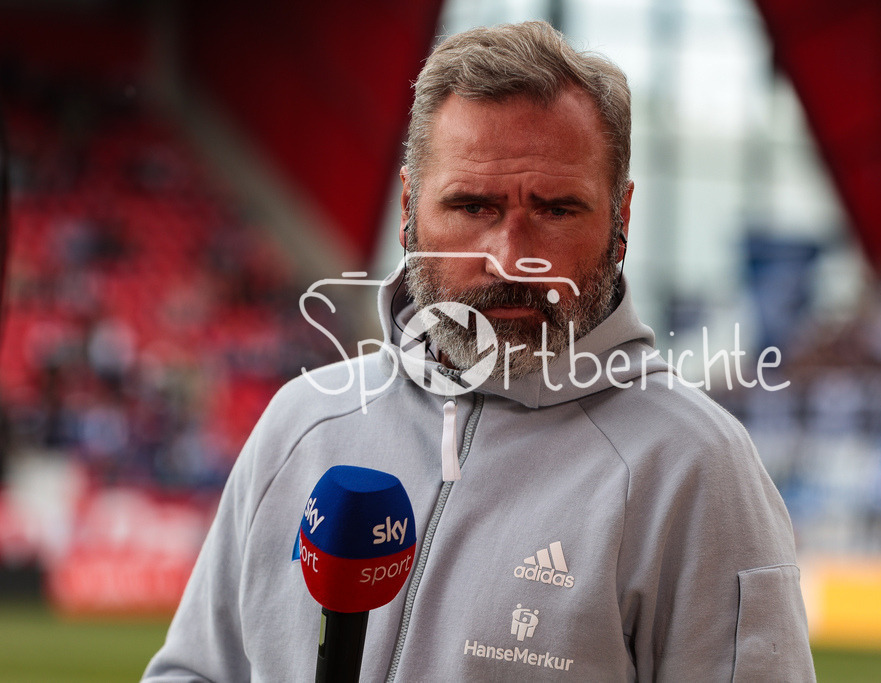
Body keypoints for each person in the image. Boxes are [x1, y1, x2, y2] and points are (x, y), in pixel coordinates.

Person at [144, 21, 815, 681]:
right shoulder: (303, 423)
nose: (511, 256)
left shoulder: (696, 469)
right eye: (472, 206)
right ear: (409, 208)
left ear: (621, 220)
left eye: (555, 209)